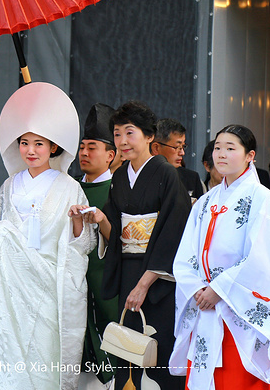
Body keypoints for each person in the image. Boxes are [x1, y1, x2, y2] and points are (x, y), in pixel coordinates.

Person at [0, 82, 97, 390]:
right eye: (25, 142)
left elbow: (82, 244)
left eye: (39, 144)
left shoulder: (69, 187)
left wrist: (79, 223)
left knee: (40, 350)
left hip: (47, 281)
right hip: (10, 285)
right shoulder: (10, 185)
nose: (31, 150)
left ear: (53, 147)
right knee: (2, 346)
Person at [170, 124, 270, 390]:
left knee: (239, 379)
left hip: (240, 308)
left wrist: (219, 290)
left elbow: (264, 258)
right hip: (206, 306)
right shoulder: (205, 201)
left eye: (231, 148)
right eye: (218, 148)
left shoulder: (262, 198)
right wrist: (199, 289)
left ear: (250, 156)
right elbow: (186, 254)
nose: (221, 154)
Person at [80, 101, 191, 390]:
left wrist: (144, 285)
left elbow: (173, 232)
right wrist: (101, 218)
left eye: (130, 133)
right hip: (128, 271)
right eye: (117, 134)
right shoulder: (119, 176)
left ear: (149, 136)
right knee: (127, 351)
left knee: (156, 351)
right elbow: (116, 232)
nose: (122, 141)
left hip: (157, 281)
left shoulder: (167, 174)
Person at [78, 103, 119, 388]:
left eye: (92, 147)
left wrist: (102, 221)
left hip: (107, 288)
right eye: (82, 147)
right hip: (73, 286)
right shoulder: (68, 187)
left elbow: (125, 242)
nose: (84, 153)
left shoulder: (120, 190)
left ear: (110, 155)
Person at [152, 118, 205, 202]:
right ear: (156, 148)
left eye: (183, 147)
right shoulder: (140, 176)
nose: (182, 153)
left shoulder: (191, 178)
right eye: (176, 147)